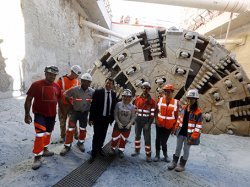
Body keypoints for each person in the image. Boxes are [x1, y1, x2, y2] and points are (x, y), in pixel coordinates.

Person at [24, 65, 62, 170]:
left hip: (52, 115)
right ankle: (37, 157)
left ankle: (45, 149)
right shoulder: (36, 85)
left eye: (54, 75)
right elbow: (28, 99)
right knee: (40, 134)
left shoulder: (57, 87)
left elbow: (59, 101)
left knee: (48, 133)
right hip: (40, 114)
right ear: (45, 73)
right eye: (50, 74)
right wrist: (27, 114)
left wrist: (62, 113)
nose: (52, 76)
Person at [60, 73, 94, 156]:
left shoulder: (92, 92)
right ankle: (67, 146)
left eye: (88, 82)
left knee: (83, 129)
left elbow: (95, 102)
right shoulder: (75, 89)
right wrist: (70, 103)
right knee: (70, 129)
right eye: (84, 81)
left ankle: (80, 143)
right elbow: (65, 94)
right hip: (74, 112)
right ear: (81, 81)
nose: (86, 83)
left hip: (84, 113)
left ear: (90, 83)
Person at [168, 89, 203, 172]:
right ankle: (174, 162)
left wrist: (193, 137)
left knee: (186, 149)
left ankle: (182, 164)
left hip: (189, 135)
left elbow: (198, 127)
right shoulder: (184, 108)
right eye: (189, 98)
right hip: (181, 132)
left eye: (192, 99)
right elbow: (179, 119)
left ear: (196, 100)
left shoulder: (198, 112)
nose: (190, 100)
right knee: (178, 148)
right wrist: (175, 128)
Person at [89, 77, 117, 162]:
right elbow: (93, 106)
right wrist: (91, 118)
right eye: (107, 83)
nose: (108, 84)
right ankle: (93, 153)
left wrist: (111, 119)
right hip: (98, 118)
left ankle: (100, 148)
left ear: (112, 86)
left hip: (107, 119)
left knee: (103, 135)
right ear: (105, 83)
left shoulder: (113, 94)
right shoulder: (98, 92)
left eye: (110, 83)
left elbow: (113, 107)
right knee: (96, 135)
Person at [154, 84, 179, 162]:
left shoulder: (176, 102)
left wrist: (174, 128)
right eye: (165, 92)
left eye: (169, 92)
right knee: (158, 139)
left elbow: (177, 116)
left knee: (164, 141)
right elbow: (156, 111)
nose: (167, 93)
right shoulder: (160, 100)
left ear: (172, 92)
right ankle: (157, 155)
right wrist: (156, 120)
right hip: (159, 124)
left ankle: (165, 155)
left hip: (169, 126)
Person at [131, 82, 156, 162]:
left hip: (146, 122)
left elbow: (152, 115)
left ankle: (148, 155)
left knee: (147, 139)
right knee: (137, 136)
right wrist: (134, 120)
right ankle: (137, 150)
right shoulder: (137, 99)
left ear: (149, 90)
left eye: (147, 88)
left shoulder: (152, 101)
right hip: (138, 120)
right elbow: (134, 110)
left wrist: (148, 124)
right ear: (142, 88)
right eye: (144, 88)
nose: (145, 90)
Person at [57, 65, 82, 143]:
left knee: (73, 121)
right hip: (63, 105)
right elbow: (57, 93)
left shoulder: (77, 81)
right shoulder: (61, 80)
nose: (77, 76)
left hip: (72, 106)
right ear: (72, 72)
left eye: (77, 75)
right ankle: (62, 136)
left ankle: (76, 135)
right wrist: (60, 105)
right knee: (62, 121)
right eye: (76, 74)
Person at [110, 89, 136, 158]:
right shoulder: (118, 104)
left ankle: (121, 150)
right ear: (122, 96)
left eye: (128, 97)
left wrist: (129, 124)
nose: (126, 98)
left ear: (130, 98)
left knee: (124, 139)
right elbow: (115, 114)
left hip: (127, 126)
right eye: (124, 96)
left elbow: (133, 117)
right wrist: (118, 123)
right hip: (118, 125)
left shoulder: (132, 107)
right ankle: (112, 148)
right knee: (115, 137)